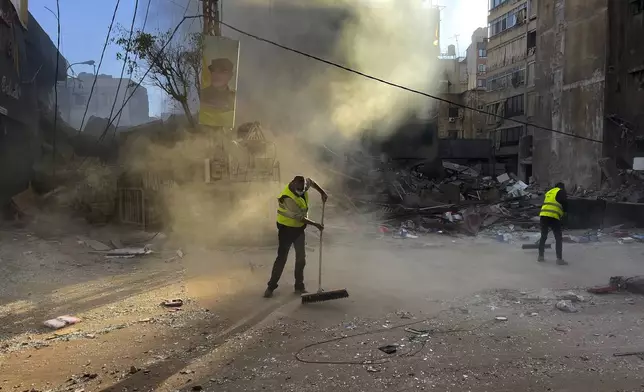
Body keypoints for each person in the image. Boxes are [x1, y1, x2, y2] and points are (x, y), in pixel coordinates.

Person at [264, 176, 328, 298]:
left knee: (301, 258)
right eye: (299, 189)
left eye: (303, 189)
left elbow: (312, 182)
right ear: (293, 184)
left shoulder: (303, 185)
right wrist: (316, 225)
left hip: (299, 229)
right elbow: (299, 217)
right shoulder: (287, 197)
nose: (301, 191)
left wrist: (322, 193)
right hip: (285, 229)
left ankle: (299, 286)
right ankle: (271, 287)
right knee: (282, 258)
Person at [538, 182, 568, 265]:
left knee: (543, 236)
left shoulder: (549, 192)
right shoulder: (561, 191)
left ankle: (540, 256)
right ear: (562, 187)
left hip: (543, 215)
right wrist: (565, 213)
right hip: (553, 216)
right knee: (558, 238)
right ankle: (559, 259)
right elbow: (565, 204)